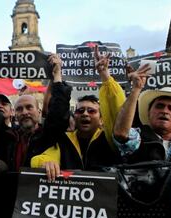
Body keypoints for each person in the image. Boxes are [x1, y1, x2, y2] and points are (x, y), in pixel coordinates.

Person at [30, 45, 125, 180]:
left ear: (102, 119)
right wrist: (45, 163)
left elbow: (117, 110)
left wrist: (105, 76)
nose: (85, 114)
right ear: (74, 116)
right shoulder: (64, 140)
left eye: (91, 111)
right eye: (80, 110)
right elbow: (46, 155)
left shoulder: (109, 140)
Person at [0, 53, 70, 171]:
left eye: (29, 107)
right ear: (15, 114)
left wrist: (57, 75)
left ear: (39, 111)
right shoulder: (8, 137)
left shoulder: (48, 135)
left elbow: (59, 112)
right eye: (19, 109)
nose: (25, 112)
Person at [113, 64, 171, 196]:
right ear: (149, 114)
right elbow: (121, 134)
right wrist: (136, 89)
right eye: (159, 106)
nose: (164, 111)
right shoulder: (138, 136)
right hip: (140, 208)